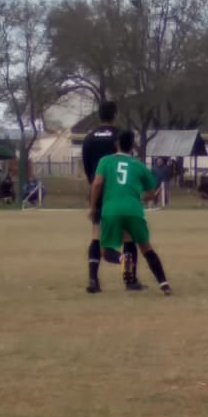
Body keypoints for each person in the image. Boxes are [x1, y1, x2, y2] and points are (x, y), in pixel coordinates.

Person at [88, 131, 173, 296]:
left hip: (111, 209)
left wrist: (92, 207)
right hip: (133, 210)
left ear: (117, 144)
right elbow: (151, 193)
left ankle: (121, 259)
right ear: (132, 146)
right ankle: (164, 284)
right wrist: (137, 197)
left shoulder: (105, 161)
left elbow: (97, 183)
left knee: (105, 251)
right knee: (146, 247)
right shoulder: (138, 165)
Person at [82, 101, 139, 293]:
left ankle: (92, 279)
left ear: (99, 115)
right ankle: (130, 280)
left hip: (97, 192)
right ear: (115, 114)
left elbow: (89, 171)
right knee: (128, 237)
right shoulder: (120, 136)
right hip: (119, 193)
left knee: (97, 236)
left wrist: (92, 198)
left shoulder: (89, 138)